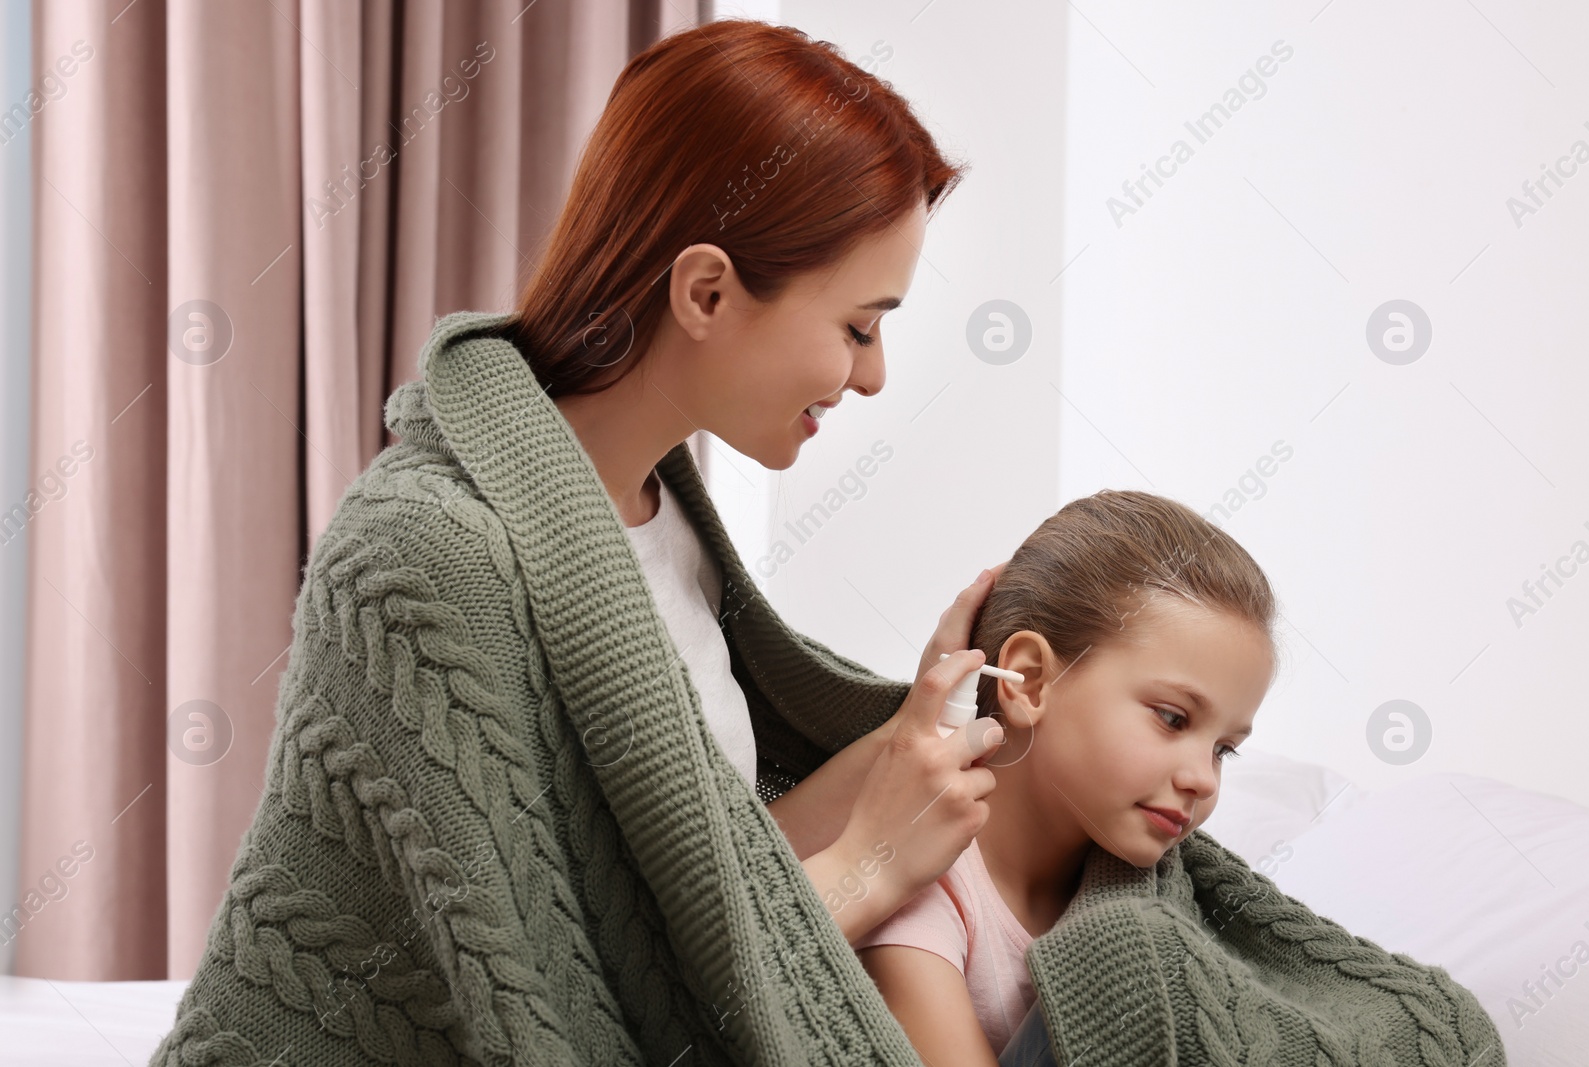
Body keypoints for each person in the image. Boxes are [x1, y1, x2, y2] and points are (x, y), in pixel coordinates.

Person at [152, 19, 1018, 1066]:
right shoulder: (427, 557)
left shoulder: (664, 519)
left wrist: (925, 722)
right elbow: (575, 1011)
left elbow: (693, 897)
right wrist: (873, 865)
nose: (873, 375)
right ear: (705, 292)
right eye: (859, 324)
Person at [855, 490, 1507, 1067]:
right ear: (1029, 680)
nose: (1202, 778)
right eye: (1172, 718)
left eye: (1225, 747)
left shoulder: (1139, 883)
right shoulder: (924, 884)